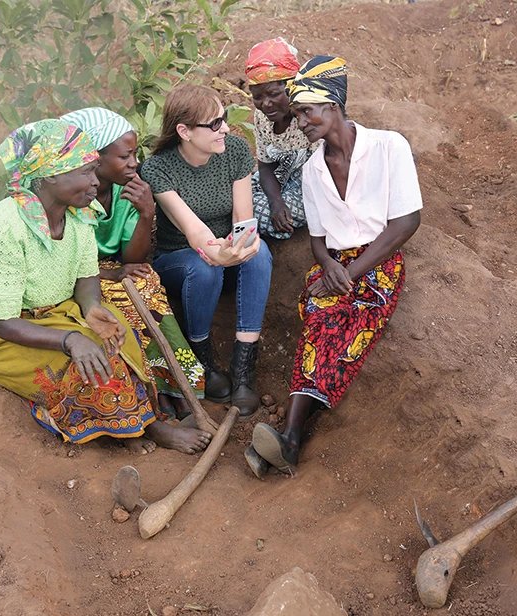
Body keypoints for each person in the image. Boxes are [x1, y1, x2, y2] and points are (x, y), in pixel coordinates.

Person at [0, 118, 212, 454]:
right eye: (86, 172)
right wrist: (70, 339)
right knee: (81, 367)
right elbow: (1, 322)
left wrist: (91, 310)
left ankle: (140, 421)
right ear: (51, 175)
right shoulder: (7, 226)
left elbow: (87, 278)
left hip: (55, 313)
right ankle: (138, 430)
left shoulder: (79, 216)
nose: (95, 181)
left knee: (119, 341)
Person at [246, 56, 422, 477]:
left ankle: (290, 434)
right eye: (299, 112)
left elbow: (406, 221)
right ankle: (289, 439)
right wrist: (327, 266)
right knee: (321, 316)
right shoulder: (312, 170)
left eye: (307, 111)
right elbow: (320, 240)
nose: (301, 121)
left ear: (333, 106)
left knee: (347, 322)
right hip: (337, 265)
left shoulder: (388, 146)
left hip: (378, 263)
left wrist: (352, 271)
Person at [60, 107, 206, 420]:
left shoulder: (126, 188)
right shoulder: (69, 193)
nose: (134, 163)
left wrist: (146, 213)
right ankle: (150, 392)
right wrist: (110, 273)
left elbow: (133, 259)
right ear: (94, 157)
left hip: (111, 266)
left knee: (146, 284)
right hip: (76, 276)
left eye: (134, 154)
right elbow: (62, 261)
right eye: (124, 157)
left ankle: (177, 387)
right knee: (120, 304)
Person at [140, 84, 273, 418]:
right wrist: (219, 254)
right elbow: (193, 230)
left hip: (224, 250)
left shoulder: (236, 151)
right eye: (214, 124)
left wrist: (244, 244)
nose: (225, 128)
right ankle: (203, 361)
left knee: (261, 254)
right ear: (184, 131)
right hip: (181, 260)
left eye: (224, 118)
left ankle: (244, 370)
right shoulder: (158, 168)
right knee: (204, 267)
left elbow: (244, 218)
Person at [245, 38, 320, 240]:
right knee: (235, 201)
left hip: (314, 185)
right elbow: (265, 165)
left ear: (292, 87)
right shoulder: (262, 117)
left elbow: (325, 175)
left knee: (261, 218)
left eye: (273, 94)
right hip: (280, 177)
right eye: (257, 97)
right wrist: (276, 202)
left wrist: (280, 205)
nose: (266, 104)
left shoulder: (312, 116)